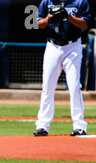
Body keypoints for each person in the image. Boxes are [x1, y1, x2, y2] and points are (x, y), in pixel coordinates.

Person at [33, 0, 91, 137]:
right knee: (47, 86)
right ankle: (42, 125)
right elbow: (39, 24)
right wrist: (49, 18)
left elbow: (85, 24)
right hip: (52, 46)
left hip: (73, 46)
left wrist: (68, 17)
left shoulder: (80, 1)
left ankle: (79, 126)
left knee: (74, 86)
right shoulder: (47, 2)